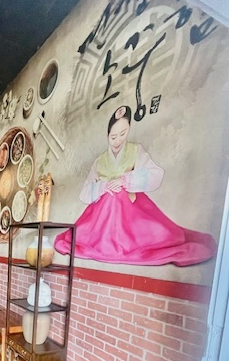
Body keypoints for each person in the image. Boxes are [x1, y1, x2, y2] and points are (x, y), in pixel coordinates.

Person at [54, 105, 217, 266]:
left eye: (123, 134)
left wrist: (126, 180)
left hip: (130, 208)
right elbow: (84, 193)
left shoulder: (135, 150)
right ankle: (107, 243)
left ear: (129, 130)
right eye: (113, 136)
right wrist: (104, 186)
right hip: (101, 215)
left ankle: (122, 243)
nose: (118, 140)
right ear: (107, 135)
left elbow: (156, 174)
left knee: (161, 233)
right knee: (108, 200)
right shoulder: (99, 161)